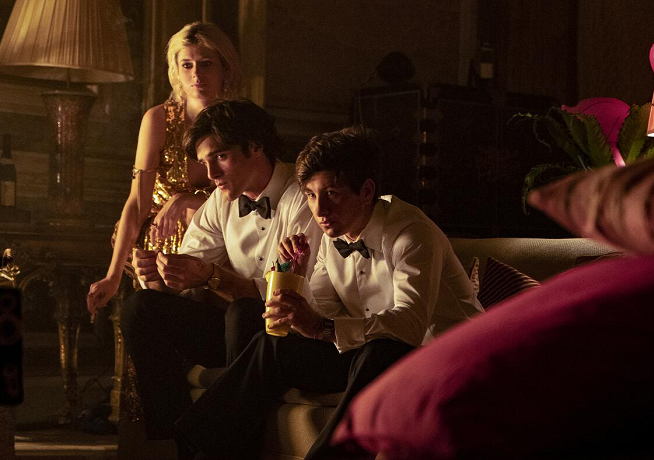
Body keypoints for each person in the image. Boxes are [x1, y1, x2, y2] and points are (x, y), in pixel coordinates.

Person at [175, 127, 483, 459]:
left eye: (331, 193)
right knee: (272, 344)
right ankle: (195, 446)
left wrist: (322, 327)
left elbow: (409, 326)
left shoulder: (411, 234)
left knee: (378, 351)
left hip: (443, 358)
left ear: (366, 191)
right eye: (309, 194)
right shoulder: (331, 237)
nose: (319, 210)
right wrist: (296, 279)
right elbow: (322, 311)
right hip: (366, 353)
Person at [120, 99, 322, 451]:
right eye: (204, 163)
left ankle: (229, 447)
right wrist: (158, 275)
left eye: (221, 157)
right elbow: (191, 268)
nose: (211, 173)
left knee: (242, 312)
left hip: (285, 334)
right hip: (234, 329)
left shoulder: (304, 196)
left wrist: (213, 277)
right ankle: (176, 442)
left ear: (255, 146)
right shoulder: (220, 199)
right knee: (141, 307)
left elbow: (290, 296)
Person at [86, 21, 242, 315]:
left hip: (224, 241)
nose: (196, 74)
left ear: (224, 67)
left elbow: (248, 199)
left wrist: (187, 200)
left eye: (206, 64)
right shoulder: (158, 119)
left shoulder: (240, 122)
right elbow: (137, 202)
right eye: (187, 65)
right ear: (176, 71)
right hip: (162, 245)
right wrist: (113, 276)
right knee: (155, 311)